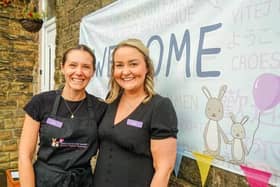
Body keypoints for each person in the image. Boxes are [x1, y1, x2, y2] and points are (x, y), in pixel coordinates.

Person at [93, 38, 178, 187]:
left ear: (147, 67)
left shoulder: (159, 106)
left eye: (133, 64)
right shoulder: (111, 100)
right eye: (119, 65)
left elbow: (164, 169)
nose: (126, 72)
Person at [18, 44, 107, 187]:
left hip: (82, 182)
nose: (79, 72)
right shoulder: (41, 102)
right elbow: (24, 156)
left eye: (85, 67)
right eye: (73, 65)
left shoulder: (101, 108)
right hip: (45, 181)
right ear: (62, 67)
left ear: (93, 71)